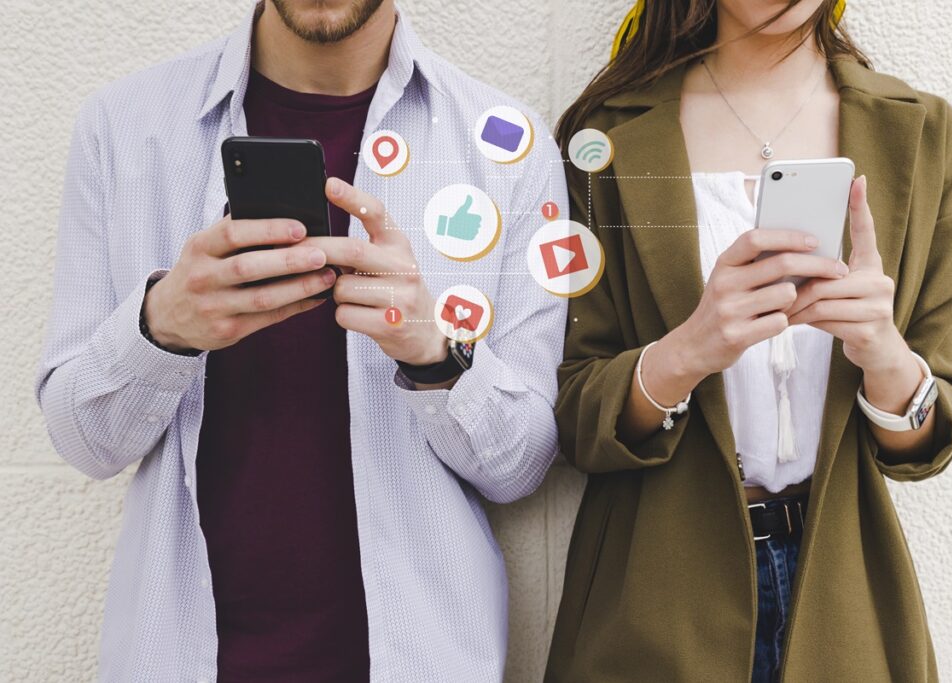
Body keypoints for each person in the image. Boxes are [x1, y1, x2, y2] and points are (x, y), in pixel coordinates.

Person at [35, 0, 567, 680]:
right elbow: (85, 442)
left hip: (419, 659)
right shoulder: (123, 129)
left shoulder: (507, 148)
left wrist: (436, 351)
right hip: (180, 657)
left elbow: (521, 465)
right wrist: (159, 326)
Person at [546, 0, 952, 681]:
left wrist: (885, 354)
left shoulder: (922, 134)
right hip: (654, 601)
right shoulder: (604, 138)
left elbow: (927, 441)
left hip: (847, 602)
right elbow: (575, 416)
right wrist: (688, 350)